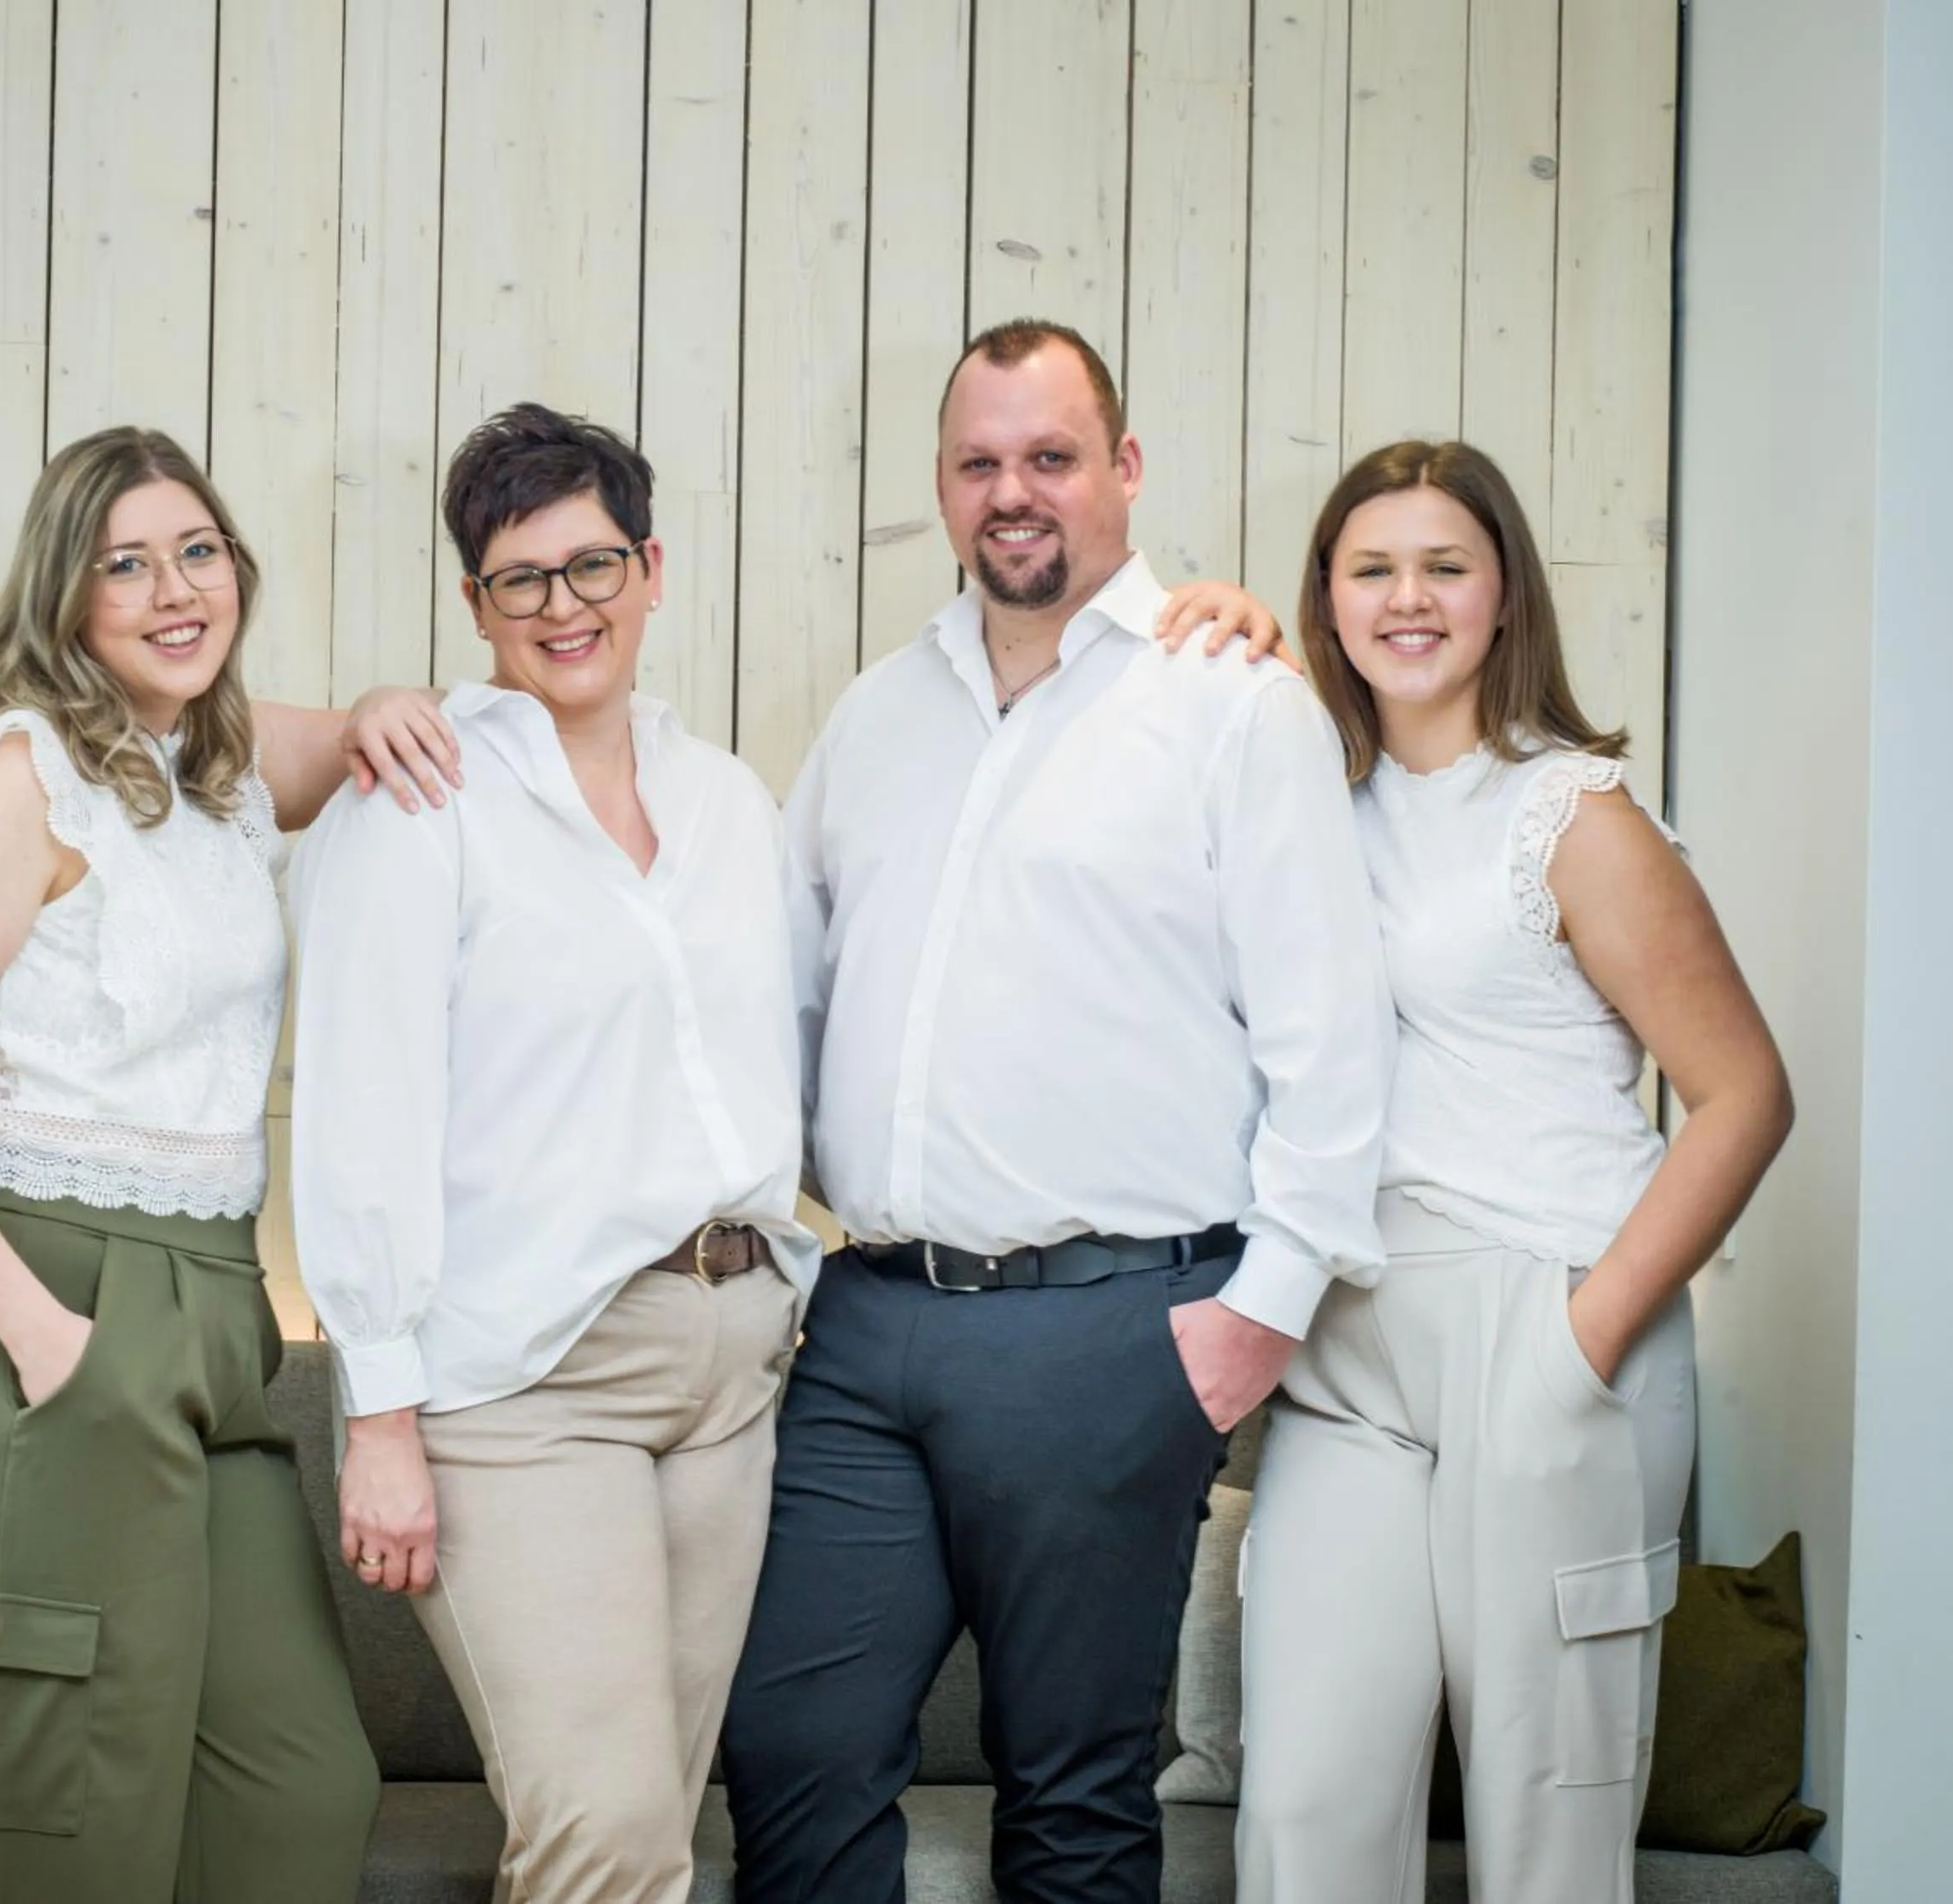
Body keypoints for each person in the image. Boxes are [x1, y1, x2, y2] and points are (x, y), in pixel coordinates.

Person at [718, 317, 1397, 1904]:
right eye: (980, 463)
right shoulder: (877, 714)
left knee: (1073, 1800)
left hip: (1115, 1331)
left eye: (1050, 457)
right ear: (943, 489)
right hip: (872, 1323)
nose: (1013, 493)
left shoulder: (1237, 706)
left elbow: (1334, 1043)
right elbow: (792, 993)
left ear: (1124, 471)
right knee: (793, 1746)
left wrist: (1256, 1323)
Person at [0, 423, 459, 1904]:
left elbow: (365, 729)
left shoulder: (213, 766)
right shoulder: (16, 784)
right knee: (76, 1815)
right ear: (66, 599)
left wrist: (386, 703)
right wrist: (48, 1342)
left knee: (296, 1783)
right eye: (126, 563)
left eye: (198, 550)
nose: (175, 588)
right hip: (37, 1304)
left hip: (209, 1316)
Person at [1228, 440, 1792, 1904]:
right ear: (1329, 601)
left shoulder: (1575, 818)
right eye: (1372, 569)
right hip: (1347, 1352)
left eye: (1444, 566)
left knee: (1547, 1820)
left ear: (1502, 596)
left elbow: (1743, 1095)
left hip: (1542, 1322)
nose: (1407, 599)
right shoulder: (1306, 805)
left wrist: (1580, 1340)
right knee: (1303, 1810)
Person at [285, 402, 820, 1902]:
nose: (563, 607)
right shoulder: (420, 798)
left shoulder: (726, 801)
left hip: (731, 1368)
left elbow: (775, 1063)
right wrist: (380, 1412)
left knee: (656, 1823)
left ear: (651, 569)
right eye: (521, 579)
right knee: (607, 1841)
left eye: (592, 567)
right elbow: (359, 1110)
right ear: (478, 606)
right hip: (524, 1383)